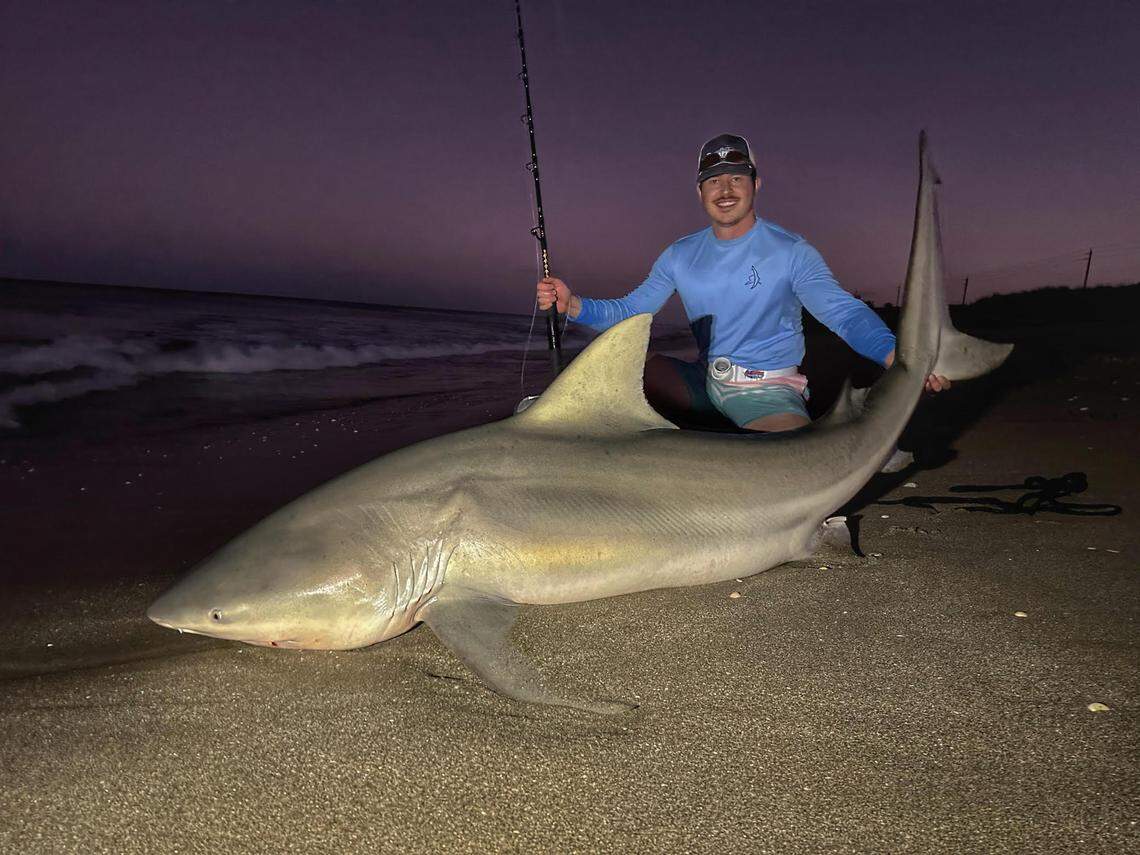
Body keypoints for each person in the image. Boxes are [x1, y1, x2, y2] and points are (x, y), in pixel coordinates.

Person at [536, 133, 949, 432]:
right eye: (714, 180)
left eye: (737, 177)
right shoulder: (680, 254)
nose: (726, 189)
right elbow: (631, 311)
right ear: (700, 192)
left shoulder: (791, 251)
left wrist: (896, 356)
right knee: (624, 367)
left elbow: (843, 313)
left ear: (756, 184)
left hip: (767, 391)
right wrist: (574, 305)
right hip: (704, 380)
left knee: (790, 467)